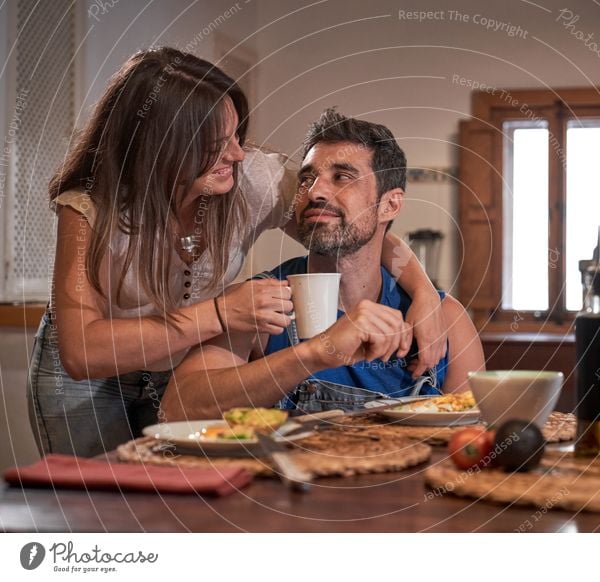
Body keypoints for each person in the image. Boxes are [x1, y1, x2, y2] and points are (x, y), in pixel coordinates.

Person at [27, 49, 447, 457]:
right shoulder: (88, 207)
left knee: (167, 500)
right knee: (96, 506)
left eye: (236, 135)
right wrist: (221, 314)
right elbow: (82, 352)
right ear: (162, 144)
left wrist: (426, 295)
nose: (237, 153)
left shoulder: (252, 181)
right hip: (87, 384)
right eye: (216, 142)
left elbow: (353, 225)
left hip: (181, 365)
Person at [163, 109, 485, 420]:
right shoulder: (258, 305)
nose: (315, 192)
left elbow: (473, 443)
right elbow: (176, 410)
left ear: (390, 204)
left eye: (342, 177)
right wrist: (314, 353)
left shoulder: (445, 320)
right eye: (307, 179)